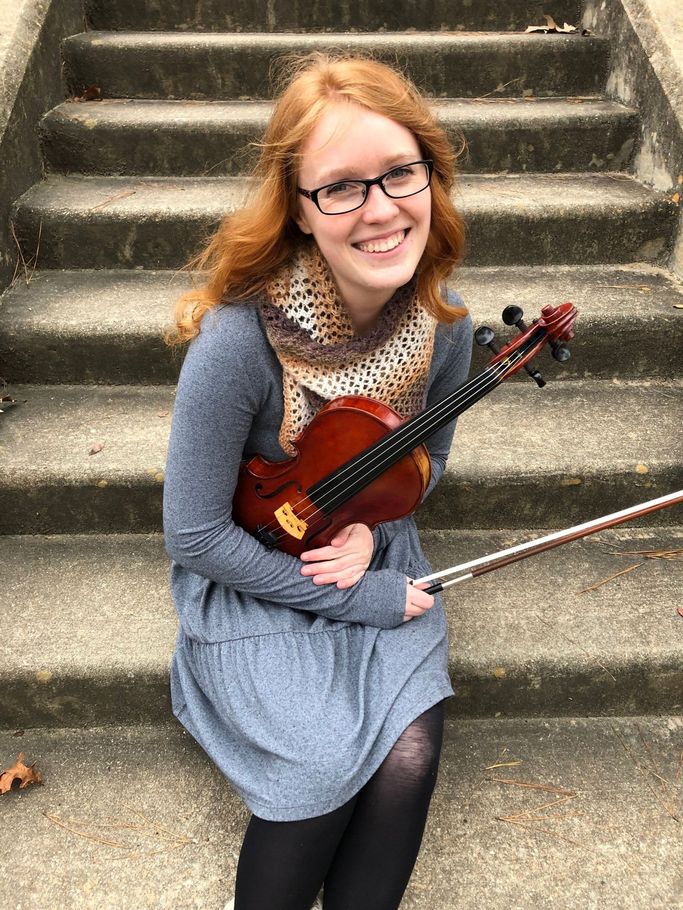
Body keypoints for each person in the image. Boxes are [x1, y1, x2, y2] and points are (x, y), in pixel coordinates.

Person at [163, 53, 473, 910]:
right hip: (252, 563)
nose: (379, 209)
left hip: (369, 549)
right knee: (320, 764)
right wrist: (354, 599)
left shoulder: (447, 328)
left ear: (428, 176)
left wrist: (374, 529)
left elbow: (428, 461)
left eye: (397, 174)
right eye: (340, 188)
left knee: (406, 756)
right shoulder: (239, 339)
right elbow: (193, 534)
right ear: (299, 209)